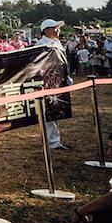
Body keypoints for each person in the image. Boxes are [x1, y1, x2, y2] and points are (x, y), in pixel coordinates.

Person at [36, 19, 69, 150]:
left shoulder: (57, 43)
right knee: (48, 112)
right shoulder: (41, 45)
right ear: (46, 30)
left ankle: (54, 140)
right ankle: (51, 142)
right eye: (55, 27)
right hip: (47, 82)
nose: (58, 30)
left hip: (59, 80)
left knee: (55, 112)